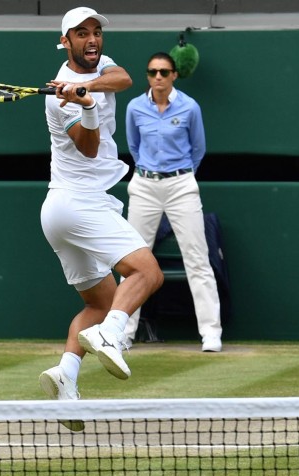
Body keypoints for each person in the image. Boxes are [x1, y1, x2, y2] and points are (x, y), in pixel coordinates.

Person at [36, 7, 164, 428]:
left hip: (60, 210)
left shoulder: (97, 68)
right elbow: (89, 148)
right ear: (65, 41)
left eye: (96, 32)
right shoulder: (60, 104)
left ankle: (66, 375)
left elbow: (124, 79)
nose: (92, 39)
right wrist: (84, 105)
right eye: (81, 34)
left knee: (102, 302)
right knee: (147, 274)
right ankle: (111, 334)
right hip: (79, 204)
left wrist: (84, 87)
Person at [124, 52, 222, 352]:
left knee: (197, 259)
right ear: (147, 75)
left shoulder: (190, 107)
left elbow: (198, 149)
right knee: (131, 262)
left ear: (174, 75)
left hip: (181, 183)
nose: (158, 77)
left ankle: (211, 332)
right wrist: (149, 170)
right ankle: (122, 332)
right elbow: (133, 145)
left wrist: (180, 175)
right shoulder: (135, 107)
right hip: (144, 184)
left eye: (164, 72)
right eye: (153, 71)